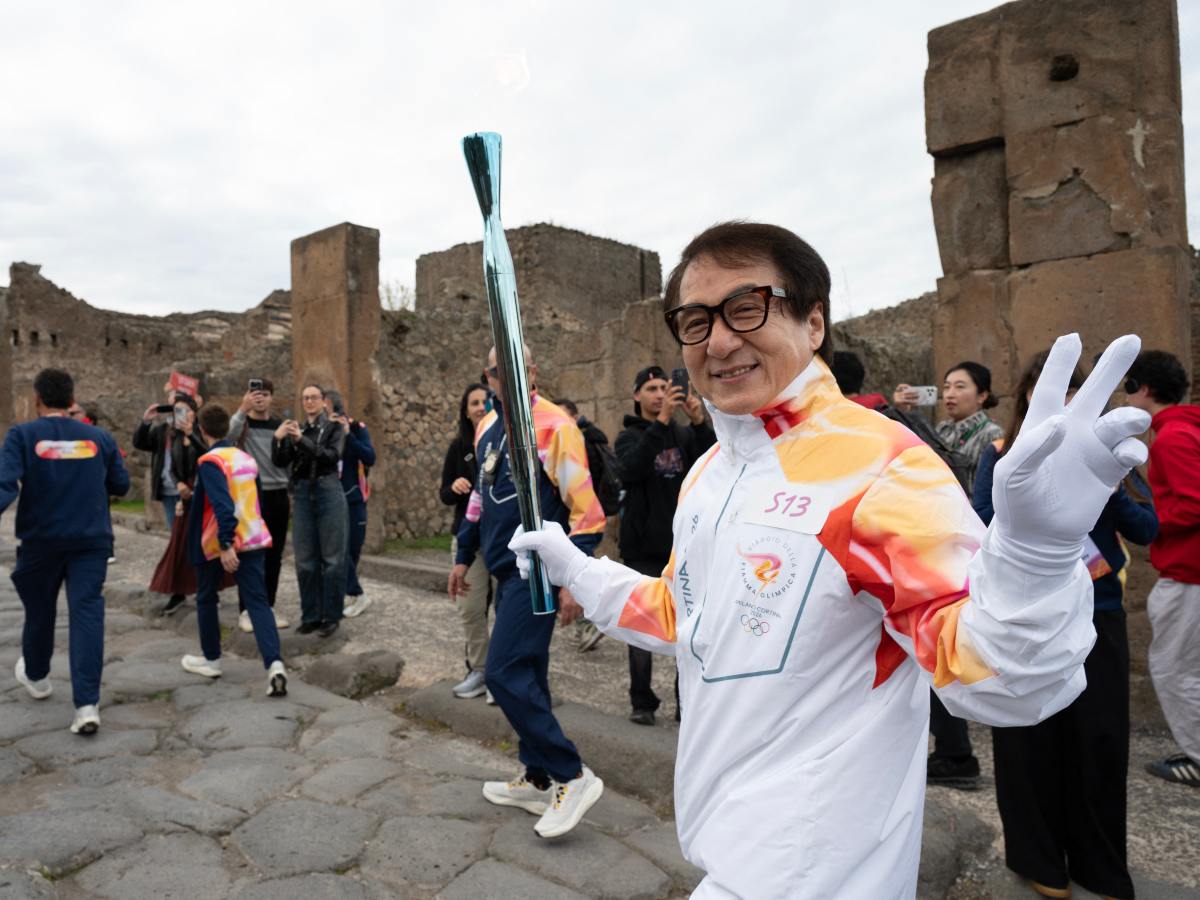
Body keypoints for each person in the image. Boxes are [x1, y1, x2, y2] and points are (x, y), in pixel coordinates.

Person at [510, 221, 1149, 898]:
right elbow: (686, 616)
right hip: (726, 842)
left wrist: (1035, 556)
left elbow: (991, 676)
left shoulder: (881, 470)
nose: (718, 340)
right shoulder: (709, 476)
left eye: (746, 307)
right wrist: (577, 568)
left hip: (827, 866)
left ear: (813, 322)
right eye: (694, 321)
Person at [974, 350, 1156, 900]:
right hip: (1023, 616)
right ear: (1028, 396)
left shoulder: (1103, 457)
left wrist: (1102, 491)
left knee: (1098, 738)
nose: (1057, 399)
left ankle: (1100, 862)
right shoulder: (1000, 454)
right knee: (1025, 736)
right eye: (1043, 388)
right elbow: (977, 522)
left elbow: (1146, 526)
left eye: (1073, 390)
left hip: (1097, 610)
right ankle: (1038, 857)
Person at [448, 345, 608, 838]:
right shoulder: (488, 425)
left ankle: (570, 774)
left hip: (534, 570)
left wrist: (572, 581)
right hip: (499, 566)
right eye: (498, 370)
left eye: (517, 368)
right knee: (528, 673)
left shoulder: (554, 425)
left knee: (502, 673)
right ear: (488, 375)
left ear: (532, 371)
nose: (506, 377)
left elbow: (586, 510)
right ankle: (536, 777)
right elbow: (480, 494)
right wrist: (461, 553)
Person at [0, 368, 130, 734]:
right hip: (91, 541)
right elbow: (120, 484)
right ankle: (87, 705)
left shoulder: (21, 435)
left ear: (37, 399)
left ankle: (38, 676)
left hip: (42, 542)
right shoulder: (98, 438)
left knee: (39, 611)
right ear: (72, 401)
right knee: (87, 615)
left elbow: (5, 486)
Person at [897, 359, 1003, 788]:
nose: (949, 394)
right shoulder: (941, 432)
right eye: (944, 387)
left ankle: (958, 752)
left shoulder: (992, 438)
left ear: (983, 394)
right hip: (943, 550)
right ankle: (953, 748)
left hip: (972, 553)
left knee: (952, 648)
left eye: (960, 387)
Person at [615, 365, 714, 725]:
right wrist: (662, 422)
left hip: (683, 548)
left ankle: (683, 701)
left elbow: (714, 466)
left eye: (664, 388)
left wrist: (700, 422)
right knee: (641, 628)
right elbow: (631, 469)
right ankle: (642, 702)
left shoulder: (684, 436)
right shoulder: (628, 436)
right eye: (652, 388)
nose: (660, 394)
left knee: (686, 630)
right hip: (642, 548)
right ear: (637, 395)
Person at [1125, 349, 1200, 788]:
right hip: (1189, 570)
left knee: (1172, 669)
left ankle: (1196, 756)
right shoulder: (1185, 428)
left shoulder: (1171, 438)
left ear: (1145, 389)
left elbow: (1193, 502)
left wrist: (1152, 523)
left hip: (1188, 572)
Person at [180, 404, 287, 697]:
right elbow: (257, 502)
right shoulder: (247, 459)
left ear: (202, 430)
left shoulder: (210, 462)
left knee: (206, 598)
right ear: (228, 428)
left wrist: (226, 544)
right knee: (258, 603)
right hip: (253, 538)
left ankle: (211, 659)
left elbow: (222, 505)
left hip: (219, 542)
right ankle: (275, 664)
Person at [272, 383, 347, 637]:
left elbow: (330, 456)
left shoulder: (335, 428)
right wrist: (278, 439)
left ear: (324, 401)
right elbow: (281, 461)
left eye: (314, 397)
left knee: (333, 559)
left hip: (328, 490)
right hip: (303, 493)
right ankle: (311, 615)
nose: (309, 402)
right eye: (305, 398)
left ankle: (331, 616)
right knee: (305, 559)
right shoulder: (298, 429)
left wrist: (299, 440)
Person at [441, 382, 494, 699]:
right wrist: (455, 486)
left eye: (484, 401)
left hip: (500, 539)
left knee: (505, 609)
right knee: (470, 609)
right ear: (465, 410)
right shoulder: (458, 446)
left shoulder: (502, 442)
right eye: (472, 403)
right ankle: (480, 670)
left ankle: (501, 674)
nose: (478, 407)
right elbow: (444, 494)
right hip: (467, 540)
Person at [230, 378, 291, 632]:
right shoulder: (242, 424)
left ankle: (268, 605)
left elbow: (287, 459)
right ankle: (246, 609)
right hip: (251, 495)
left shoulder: (279, 425)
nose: (260, 398)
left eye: (265, 394)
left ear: (271, 397)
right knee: (250, 554)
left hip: (278, 493)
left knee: (274, 555)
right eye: (255, 394)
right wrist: (241, 410)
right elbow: (227, 437)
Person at [147, 400, 215, 615]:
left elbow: (209, 455)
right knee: (180, 542)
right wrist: (179, 484)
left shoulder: (202, 433)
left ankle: (209, 588)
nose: (181, 414)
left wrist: (191, 434)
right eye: (177, 411)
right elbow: (173, 467)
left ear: (194, 414)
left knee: (205, 543)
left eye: (185, 410)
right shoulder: (173, 436)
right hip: (184, 496)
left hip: (204, 495)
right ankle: (179, 591)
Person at [326, 390, 376, 619]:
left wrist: (348, 435)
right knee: (339, 549)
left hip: (354, 498)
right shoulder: (323, 431)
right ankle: (357, 594)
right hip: (331, 498)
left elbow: (370, 458)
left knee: (352, 549)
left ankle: (348, 592)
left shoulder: (357, 428)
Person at [133, 390, 202, 532]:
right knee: (176, 534)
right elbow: (140, 443)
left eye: (183, 409)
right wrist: (146, 421)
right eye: (176, 409)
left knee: (193, 533)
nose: (178, 412)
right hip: (168, 490)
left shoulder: (198, 431)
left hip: (190, 490)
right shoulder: (163, 430)